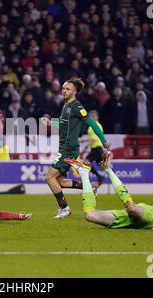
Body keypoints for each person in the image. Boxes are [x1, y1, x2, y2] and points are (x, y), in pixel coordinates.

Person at [41, 77, 110, 219]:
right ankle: (89, 187)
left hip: (69, 149)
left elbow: (92, 123)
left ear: (74, 92)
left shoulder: (77, 106)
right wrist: (50, 123)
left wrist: (103, 141)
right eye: (63, 89)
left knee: (49, 177)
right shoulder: (65, 106)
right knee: (59, 181)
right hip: (64, 148)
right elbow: (62, 124)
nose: (64, 91)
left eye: (67, 89)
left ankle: (65, 208)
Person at [74, 110, 107, 184]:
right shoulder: (93, 126)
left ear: (96, 117)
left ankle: (99, 177)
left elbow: (93, 139)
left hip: (96, 149)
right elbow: (92, 137)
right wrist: (83, 141)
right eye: (90, 117)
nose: (90, 118)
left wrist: (85, 148)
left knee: (85, 162)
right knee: (103, 166)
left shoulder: (95, 126)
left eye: (92, 116)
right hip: (96, 149)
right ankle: (100, 177)